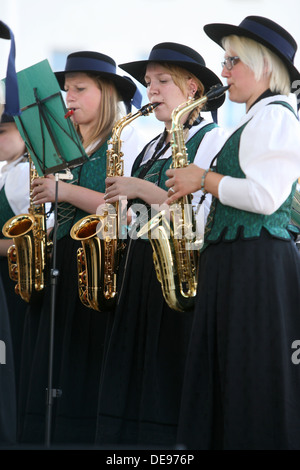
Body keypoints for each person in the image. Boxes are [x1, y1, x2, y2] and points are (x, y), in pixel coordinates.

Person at [164, 16, 300, 450]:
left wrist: (202, 179)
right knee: (227, 378)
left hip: (257, 265)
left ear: (263, 66)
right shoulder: (254, 120)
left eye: (232, 61)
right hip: (236, 262)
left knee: (250, 379)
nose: (223, 72)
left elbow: (265, 197)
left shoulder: (277, 118)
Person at [95, 42, 228, 447]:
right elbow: (138, 214)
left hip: (180, 272)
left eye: (162, 81)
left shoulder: (213, 137)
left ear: (192, 88)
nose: (150, 90)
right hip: (141, 265)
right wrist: (115, 220)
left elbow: (200, 213)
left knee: (167, 376)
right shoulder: (153, 144)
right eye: (149, 82)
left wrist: (141, 188)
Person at [17, 51, 146, 446]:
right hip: (64, 265)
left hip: (98, 271)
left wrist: (65, 190)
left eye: (79, 88)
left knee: (82, 375)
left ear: (106, 92)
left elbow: (128, 214)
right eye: (65, 89)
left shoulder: (127, 138)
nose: (68, 97)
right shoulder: (69, 144)